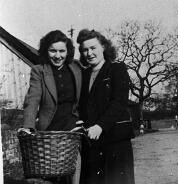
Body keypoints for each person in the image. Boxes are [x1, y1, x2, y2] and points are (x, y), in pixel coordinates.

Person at [18, 30, 82, 184]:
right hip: (50, 130)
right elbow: (32, 99)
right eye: (53, 51)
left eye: (62, 51)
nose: (58, 55)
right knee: (50, 175)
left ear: (68, 51)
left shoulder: (76, 68)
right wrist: (28, 126)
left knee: (75, 169)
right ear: (46, 51)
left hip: (72, 128)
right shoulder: (39, 71)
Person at [76, 29, 135, 184]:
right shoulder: (84, 74)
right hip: (92, 142)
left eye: (93, 48)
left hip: (116, 141)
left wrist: (101, 126)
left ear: (103, 47)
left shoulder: (117, 68)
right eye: (84, 50)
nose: (89, 53)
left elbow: (119, 102)